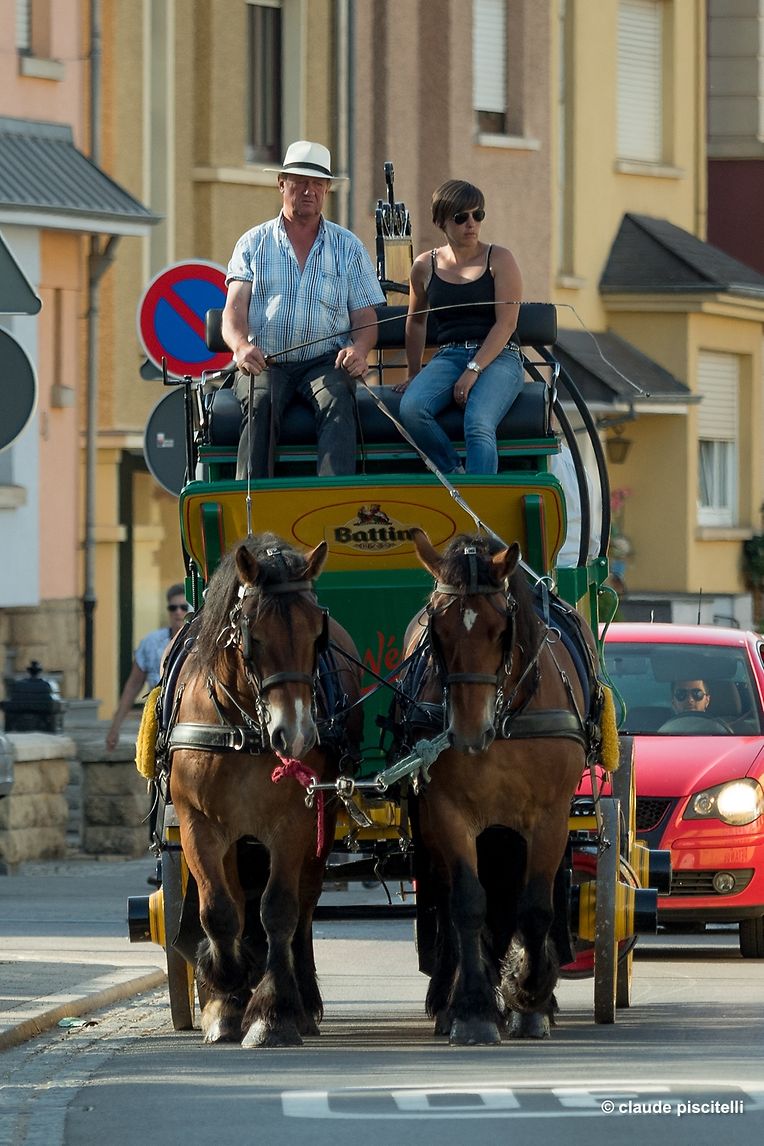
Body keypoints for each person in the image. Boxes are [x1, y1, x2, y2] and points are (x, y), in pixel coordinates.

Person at [222, 140, 386, 479]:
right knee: (259, 401)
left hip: (325, 362)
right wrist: (241, 348)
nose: (308, 190)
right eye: (299, 182)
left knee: (338, 400)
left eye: (316, 183)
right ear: (281, 184)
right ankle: (250, 503)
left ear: (326, 189)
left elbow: (365, 319)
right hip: (267, 360)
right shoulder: (253, 243)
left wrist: (359, 349)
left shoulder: (349, 247)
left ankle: (332, 505)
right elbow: (233, 313)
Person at [398, 179, 524, 474]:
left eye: (478, 215)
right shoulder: (424, 266)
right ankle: (456, 475)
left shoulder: (500, 259)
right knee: (412, 408)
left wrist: (473, 369)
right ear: (440, 221)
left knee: (478, 421)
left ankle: (480, 505)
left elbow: (506, 324)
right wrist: (414, 372)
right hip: (449, 354)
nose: (471, 223)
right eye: (461, 217)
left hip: (499, 355)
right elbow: (416, 321)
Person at [105, 584, 190, 750]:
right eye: (173, 607)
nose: (178, 612)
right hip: (158, 717)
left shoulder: (200, 643)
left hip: (187, 717)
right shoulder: (151, 642)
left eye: (183, 607)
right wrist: (115, 727)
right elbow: (133, 685)